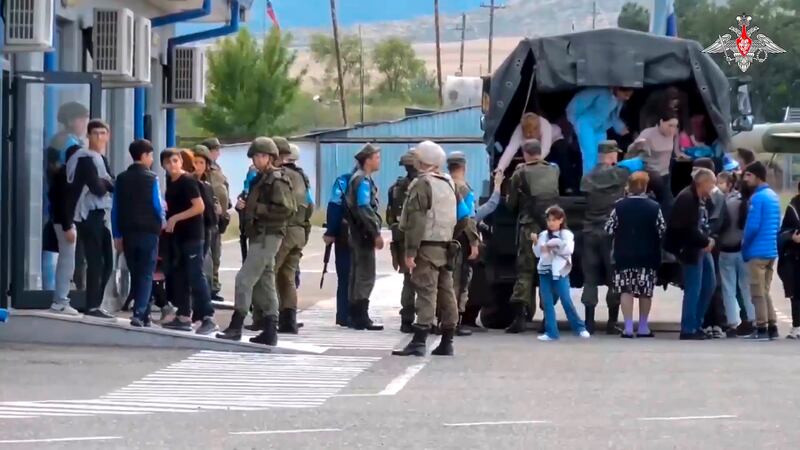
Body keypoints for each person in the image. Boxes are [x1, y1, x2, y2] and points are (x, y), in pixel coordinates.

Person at [216, 138, 296, 345]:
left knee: (244, 279)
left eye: (260, 156)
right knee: (265, 281)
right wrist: (245, 205)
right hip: (259, 235)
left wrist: (256, 209)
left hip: (268, 235)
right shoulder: (261, 179)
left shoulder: (276, 180)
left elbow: (287, 209)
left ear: (269, 157)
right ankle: (270, 330)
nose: (256, 160)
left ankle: (237, 324)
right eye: (255, 156)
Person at [392, 141, 466, 356]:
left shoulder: (422, 184)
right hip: (446, 247)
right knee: (447, 292)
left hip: (425, 247)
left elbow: (416, 221)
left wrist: (410, 252)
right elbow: (463, 215)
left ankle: (419, 341)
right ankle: (447, 340)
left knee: (425, 292)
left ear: (423, 160)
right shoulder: (449, 183)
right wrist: (450, 235)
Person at [579, 140, 640, 335]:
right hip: (610, 232)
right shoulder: (619, 174)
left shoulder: (587, 178)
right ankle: (611, 322)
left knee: (590, 278)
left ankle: (589, 322)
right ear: (612, 155)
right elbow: (638, 164)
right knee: (614, 277)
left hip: (589, 231)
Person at [158, 149, 218, 335]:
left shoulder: (188, 181)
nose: (172, 165)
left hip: (193, 235)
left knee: (195, 275)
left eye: (175, 161)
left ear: (181, 162)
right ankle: (184, 315)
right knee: (180, 275)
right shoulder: (171, 182)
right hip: (178, 237)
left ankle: (207, 316)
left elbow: (198, 207)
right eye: (168, 163)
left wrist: (175, 218)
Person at [505, 139, 560, 334]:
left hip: (530, 228)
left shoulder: (521, 172)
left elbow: (511, 204)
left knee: (525, 271)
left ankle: (520, 317)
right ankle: (548, 319)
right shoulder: (554, 170)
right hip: (551, 228)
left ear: (525, 153)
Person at [605, 171, 665, 338]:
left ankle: (628, 327)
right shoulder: (654, 207)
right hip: (648, 255)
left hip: (624, 254)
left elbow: (609, 229)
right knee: (645, 291)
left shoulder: (619, 206)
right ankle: (644, 326)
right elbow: (662, 230)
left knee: (626, 290)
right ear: (645, 187)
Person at [111, 140, 164, 327]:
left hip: (128, 232)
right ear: (144, 156)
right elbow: (157, 205)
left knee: (136, 272)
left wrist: (117, 234)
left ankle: (145, 315)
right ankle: (139, 313)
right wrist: (163, 222)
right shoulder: (152, 178)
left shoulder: (121, 178)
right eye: (150, 155)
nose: (151, 159)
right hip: (149, 231)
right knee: (146, 273)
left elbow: (115, 208)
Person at [66, 119, 115, 320]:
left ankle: (96, 302)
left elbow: (112, 183)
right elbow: (98, 187)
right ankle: (92, 305)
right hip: (86, 215)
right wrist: (106, 182)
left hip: (100, 214)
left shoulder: (101, 159)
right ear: (88, 136)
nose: (99, 137)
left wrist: (106, 182)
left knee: (107, 261)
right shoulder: (85, 158)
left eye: (103, 133)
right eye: (95, 133)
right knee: (95, 261)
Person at [665, 168, 717, 340]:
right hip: (690, 249)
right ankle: (688, 328)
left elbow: (705, 222)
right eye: (712, 183)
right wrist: (705, 241)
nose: (713, 187)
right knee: (694, 288)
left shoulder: (703, 199)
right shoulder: (687, 198)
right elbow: (686, 228)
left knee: (709, 284)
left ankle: (697, 323)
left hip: (702, 246)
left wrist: (710, 239)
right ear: (702, 183)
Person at [534, 206, 590, 341]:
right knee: (547, 302)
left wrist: (552, 246)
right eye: (549, 220)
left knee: (566, 300)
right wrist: (536, 243)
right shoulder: (543, 235)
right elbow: (538, 253)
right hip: (544, 271)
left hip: (560, 271)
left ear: (561, 220)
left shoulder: (566, 234)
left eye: (554, 220)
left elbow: (568, 250)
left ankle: (580, 328)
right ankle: (551, 332)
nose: (551, 223)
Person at [275, 142, 314, 334]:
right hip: (299, 231)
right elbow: (311, 205)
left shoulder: (278, 175)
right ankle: (289, 320)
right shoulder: (302, 177)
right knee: (288, 277)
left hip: (283, 231)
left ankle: (267, 318)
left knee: (269, 274)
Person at [345, 144, 384, 331]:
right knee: (365, 275)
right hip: (363, 233)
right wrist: (375, 233)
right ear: (367, 160)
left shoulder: (359, 178)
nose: (379, 160)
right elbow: (364, 208)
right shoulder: (362, 180)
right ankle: (361, 317)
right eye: (376, 157)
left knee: (358, 273)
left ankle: (354, 315)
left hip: (357, 232)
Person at [741, 161, 781, 341]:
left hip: (757, 250)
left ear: (757, 176)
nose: (745, 179)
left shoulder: (757, 198)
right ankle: (772, 326)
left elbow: (752, 227)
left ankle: (761, 327)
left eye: (748, 175)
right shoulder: (773, 196)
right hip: (771, 250)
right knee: (765, 290)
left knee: (757, 292)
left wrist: (745, 245)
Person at [716, 171, 756, 337]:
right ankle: (753, 320)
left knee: (728, 289)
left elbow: (719, 225)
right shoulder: (750, 203)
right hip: (745, 250)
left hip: (727, 250)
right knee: (746, 288)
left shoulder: (727, 203)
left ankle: (732, 323)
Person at [446, 151, 481, 336]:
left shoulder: (444, 184)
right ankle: (455, 321)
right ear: (463, 167)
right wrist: (474, 242)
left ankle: (441, 318)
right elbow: (468, 218)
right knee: (459, 282)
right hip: (461, 240)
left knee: (445, 279)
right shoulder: (465, 189)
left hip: (445, 237)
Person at [693, 158, 727, 339]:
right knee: (708, 283)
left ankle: (716, 321)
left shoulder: (716, 195)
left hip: (710, 244)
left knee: (713, 284)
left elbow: (715, 221)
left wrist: (708, 238)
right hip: (706, 241)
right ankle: (709, 321)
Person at [566, 86, 633, 174]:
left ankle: (599, 181)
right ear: (617, 89)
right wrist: (574, 120)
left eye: (629, 96)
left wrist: (620, 127)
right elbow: (578, 103)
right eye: (625, 95)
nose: (627, 98)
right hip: (585, 125)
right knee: (590, 154)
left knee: (602, 155)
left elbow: (612, 115)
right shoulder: (599, 91)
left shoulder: (618, 101)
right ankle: (588, 183)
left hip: (600, 127)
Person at [387, 150, 419, 333]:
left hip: (400, 238)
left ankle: (406, 319)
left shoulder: (395, 188)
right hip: (419, 238)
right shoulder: (423, 185)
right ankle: (423, 318)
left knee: (408, 280)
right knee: (423, 280)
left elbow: (390, 215)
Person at [48, 145, 81, 315]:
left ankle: (61, 299)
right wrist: (68, 226)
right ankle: (61, 300)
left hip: (64, 222)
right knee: (67, 263)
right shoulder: (65, 177)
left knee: (68, 262)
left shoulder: (65, 175)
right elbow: (63, 203)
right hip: (65, 224)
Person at [201, 137, 231, 302]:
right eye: (216, 150)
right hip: (208, 217)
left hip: (219, 218)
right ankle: (208, 286)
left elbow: (224, 188)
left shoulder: (217, 170)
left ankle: (214, 286)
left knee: (216, 254)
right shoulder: (204, 170)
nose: (218, 153)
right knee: (209, 255)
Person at [191, 145, 223, 294]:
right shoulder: (186, 182)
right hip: (192, 231)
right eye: (194, 162)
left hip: (208, 228)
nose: (197, 166)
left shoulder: (208, 183)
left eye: (201, 163)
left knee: (209, 264)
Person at [324, 170, 354, 327]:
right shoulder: (345, 181)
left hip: (358, 237)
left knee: (352, 277)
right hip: (346, 236)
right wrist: (331, 231)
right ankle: (344, 314)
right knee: (346, 276)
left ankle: (351, 314)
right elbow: (334, 207)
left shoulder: (362, 181)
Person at [640, 111, 683, 217]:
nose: (672, 129)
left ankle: (666, 229)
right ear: (661, 122)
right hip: (650, 174)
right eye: (670, 125)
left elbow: (675, 146)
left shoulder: (673, 133)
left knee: (668, 204)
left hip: (665, 173)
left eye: (675, 126)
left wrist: (678, 153)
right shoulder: (648, 134)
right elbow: (634, 152)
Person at [778, 180, 800, 339]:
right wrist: (791, 237)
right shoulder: (793, 207)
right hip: (795, 255)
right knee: (796, 292)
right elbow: (783, 232)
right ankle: (797, 325)